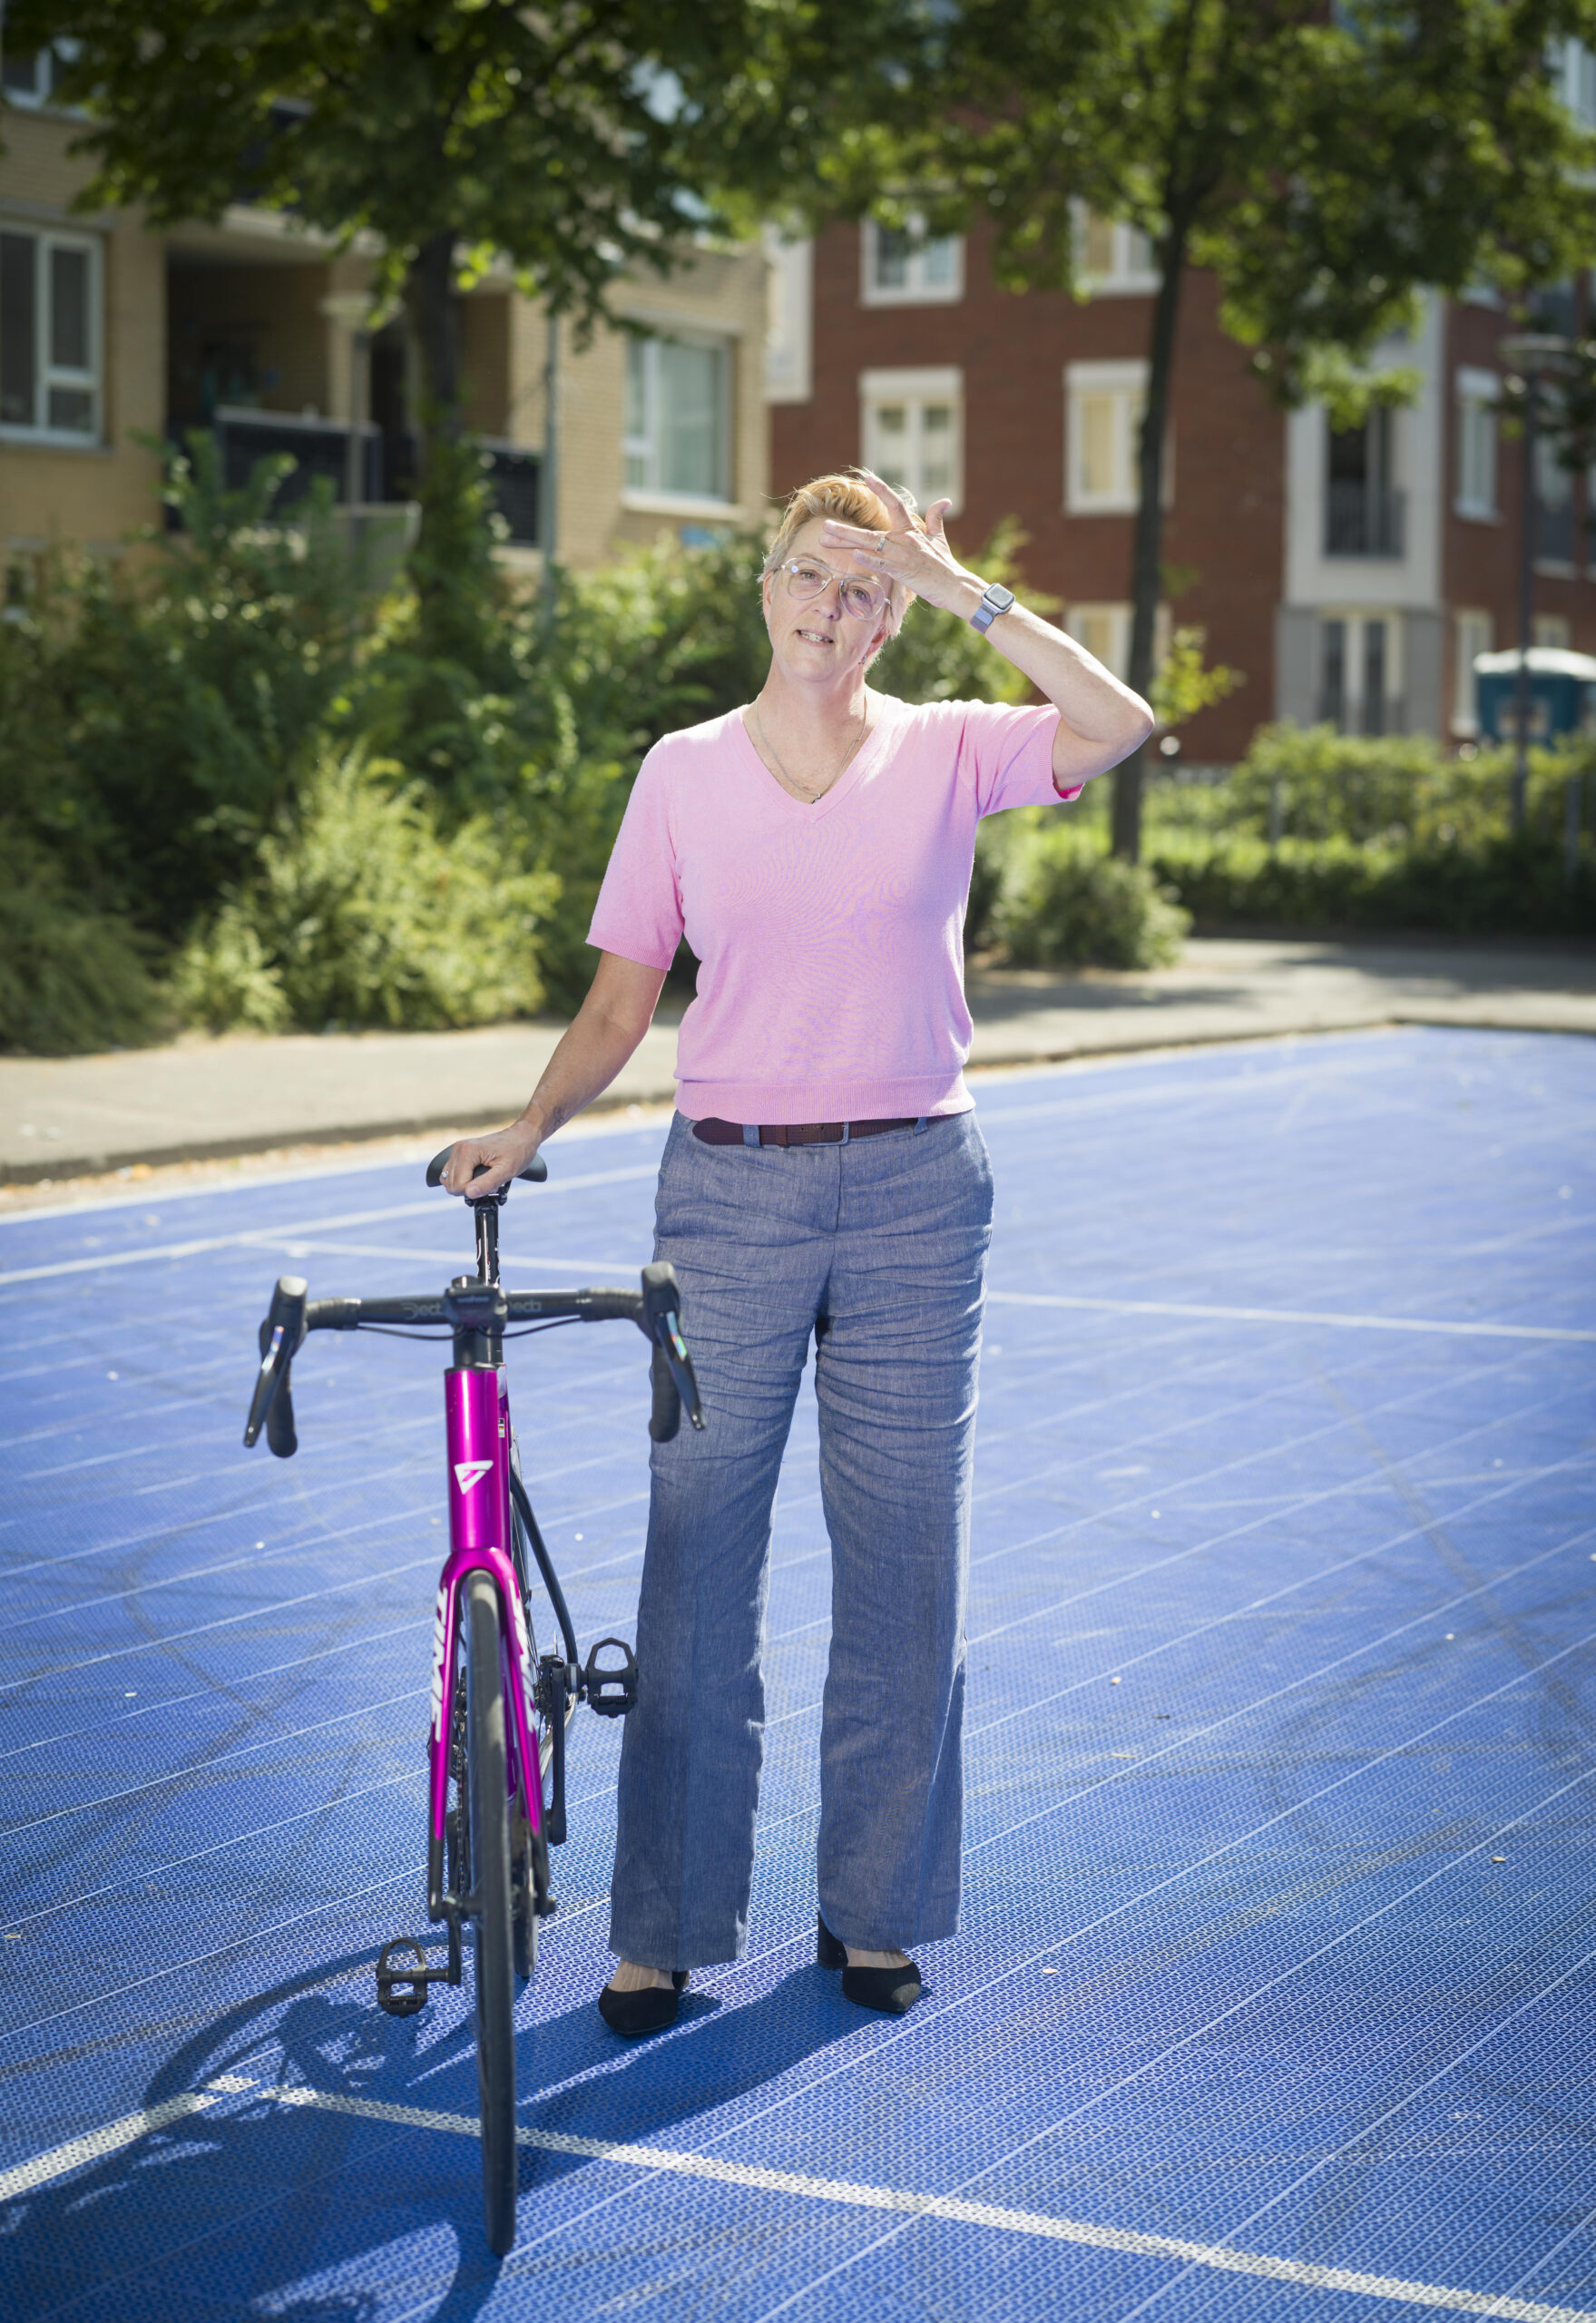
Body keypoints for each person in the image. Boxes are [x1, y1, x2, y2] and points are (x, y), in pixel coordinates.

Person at [439, 469, 1152, 2034]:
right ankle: (665, 1925)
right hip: (730, 1197)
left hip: (917, 1193)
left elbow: (1120, 720)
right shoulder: (683, 773)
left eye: (868, 588)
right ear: (765, 590)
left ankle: (874, 1912)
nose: (838, 607)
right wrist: (532, 1128)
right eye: (819, 574)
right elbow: (624, 1003)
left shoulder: (957, 745)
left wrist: (964, 582)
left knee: (903, 1562)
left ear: (897, 615)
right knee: (699, 1560)